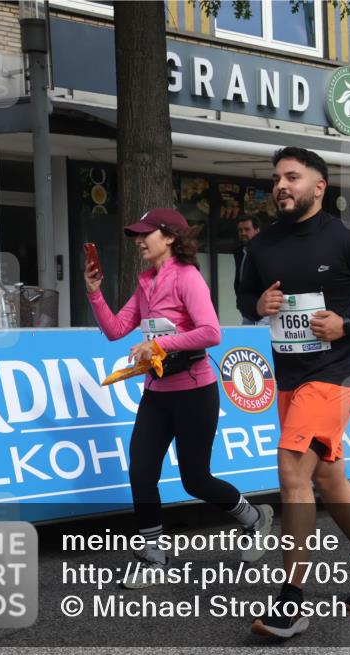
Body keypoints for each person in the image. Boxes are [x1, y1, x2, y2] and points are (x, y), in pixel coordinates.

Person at [238, 147, 350, 639]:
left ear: (319, 186)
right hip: (291, 375)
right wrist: (259, 303)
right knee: (329, 479)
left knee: (293, 471)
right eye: (276, 178)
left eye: (292, 177)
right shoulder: (263, 245)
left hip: (341, 371)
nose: (281, 186)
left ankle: (292, 602)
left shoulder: (349, 241)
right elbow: (243, 296)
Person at [85, 208, 273, 588]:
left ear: (169, 237)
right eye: (136, 235)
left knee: (196, 480)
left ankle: (255, 517)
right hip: (157, 393)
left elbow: (211, 332)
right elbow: (116, 329)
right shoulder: (146, 281)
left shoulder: (187, 278)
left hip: (194, 392)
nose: (139, 241)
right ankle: (154, 556)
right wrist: (94, 293)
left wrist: (158, 342)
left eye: (145, 234)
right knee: (140, 471)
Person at [233, 216, 267, 325]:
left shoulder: (265, 252)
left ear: (257, 231)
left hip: (264, 312)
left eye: (247, 229)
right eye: (240, 230)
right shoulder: (240, 252)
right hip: (247, 310)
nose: (243, 233)